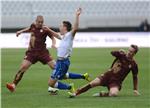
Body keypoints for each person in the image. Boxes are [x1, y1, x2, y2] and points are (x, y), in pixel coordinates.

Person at [6, 15, 60, 92]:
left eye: (42, 22)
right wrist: (20, 31)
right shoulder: (33, 26)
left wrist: (53, 44)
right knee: (23, 67)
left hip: (43, 53)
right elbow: (29, 28)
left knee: (56, 67)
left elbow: (52, 38)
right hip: (32, 53)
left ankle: (54, 86)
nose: (40, 23)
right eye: (39, 22)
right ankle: (13, 85)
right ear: (36, 21)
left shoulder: (45, 29)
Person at [47, 8, 91, 95]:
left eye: (61, 26)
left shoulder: (70, 35)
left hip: (62, 63)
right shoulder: (64, 37)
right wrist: (48, 29)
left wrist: (77, 16)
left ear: (65, 27)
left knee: (50, 83)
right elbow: (56, 35)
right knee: (64, 76)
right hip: (61, 62)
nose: (59, 27)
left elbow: (75, 28)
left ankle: (70, 87)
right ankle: (83, 76)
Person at [69, 45, 140, 97]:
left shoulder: (134, 64)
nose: (129, 52)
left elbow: (135, 77)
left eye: (131, 52)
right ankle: (76, 93)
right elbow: (112, 53)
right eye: (129, 50)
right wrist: (119, 51)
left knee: (114, 94)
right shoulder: (122, 55)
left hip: (116, 82)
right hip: (107, 75)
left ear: (134, 53)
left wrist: (135, 89)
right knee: (92, 83)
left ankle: (103, 94)